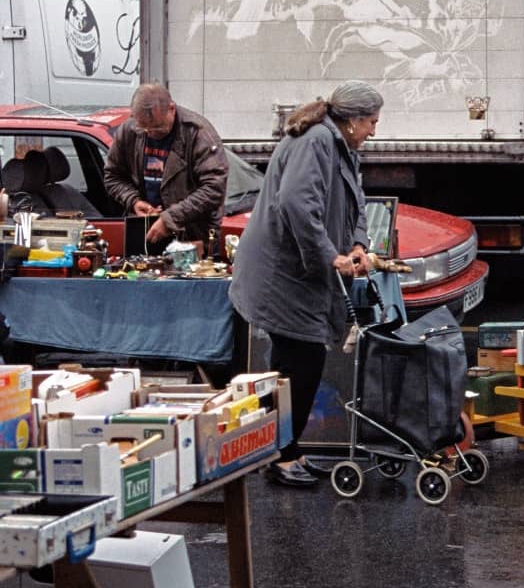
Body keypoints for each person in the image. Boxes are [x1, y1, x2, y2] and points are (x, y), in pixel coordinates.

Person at [229, 80, 383, 487]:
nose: (373, 130)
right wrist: (327, 255)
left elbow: (357, 201)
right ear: (350, 120)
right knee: (303, 359)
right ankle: (280, 456)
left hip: (298, 272)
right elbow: (297, 203)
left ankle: (286, 448)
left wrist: (357, 243)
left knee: (292, 362)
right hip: (281, 272)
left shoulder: (341, 146)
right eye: (370, 122)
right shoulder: (316, 141)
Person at [104, 81, 228, 253]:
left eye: (158, 128)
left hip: (192, 238)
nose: (151, 134)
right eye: (144, 129)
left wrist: (170, 218)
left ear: (172, 109)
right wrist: (133, 201)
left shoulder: (198, 133)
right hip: (145, 236)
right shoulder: (129, 130)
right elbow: (113, 177)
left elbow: (214, 188)